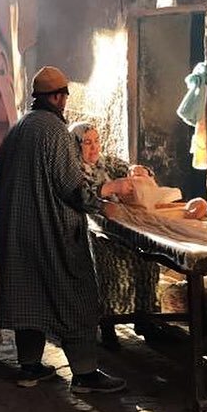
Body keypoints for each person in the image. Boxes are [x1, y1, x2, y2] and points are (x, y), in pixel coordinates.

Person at [0, 66, 126, 394]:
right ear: (57, 97)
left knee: (29, 299)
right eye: (64, 96)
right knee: (76, 297)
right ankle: (85, 374)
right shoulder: (54, 130)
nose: (65, 102)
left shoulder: (17, 129)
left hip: (17, 234)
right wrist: (101, 204)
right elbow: (70, 186)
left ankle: (30, 368)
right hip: (52, 233)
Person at [69, 122, 160, 351]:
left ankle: (145, 319)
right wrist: (109, 189)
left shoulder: (106, 162)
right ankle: (108, 327)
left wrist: (139, 171)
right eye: (87, 143)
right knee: (107, 268)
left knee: (147, 260)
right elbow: (81, 197)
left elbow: (128, 169)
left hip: (121, 224)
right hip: (94, 230)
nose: (93, 148)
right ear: (76, 145)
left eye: (96, 141)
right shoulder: (71, 169)